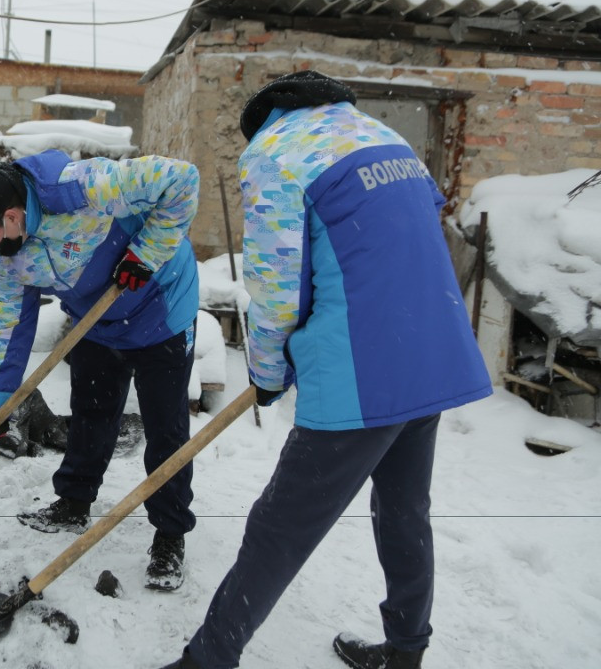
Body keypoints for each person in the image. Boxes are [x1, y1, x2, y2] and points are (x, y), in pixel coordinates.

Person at [161, 71, 493, 669]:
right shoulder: (384, 139)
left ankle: (206, 662)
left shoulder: (274, 151)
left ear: (264, 120)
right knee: (403, 510)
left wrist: (265, 371)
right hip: (431, 351)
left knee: (279, 526)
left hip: (363, 367)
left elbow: (275, 285)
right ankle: (404, 654)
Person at [0, 148, 200, 590]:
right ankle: (74, 502)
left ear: (10, 215)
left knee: (166, 427)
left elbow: (181, 178)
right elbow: (11, 328)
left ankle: (170, 534)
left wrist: (144, 254)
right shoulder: (7, 254)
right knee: (91, 413)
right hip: (97, 320)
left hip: (160, 309)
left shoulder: (80, 186)